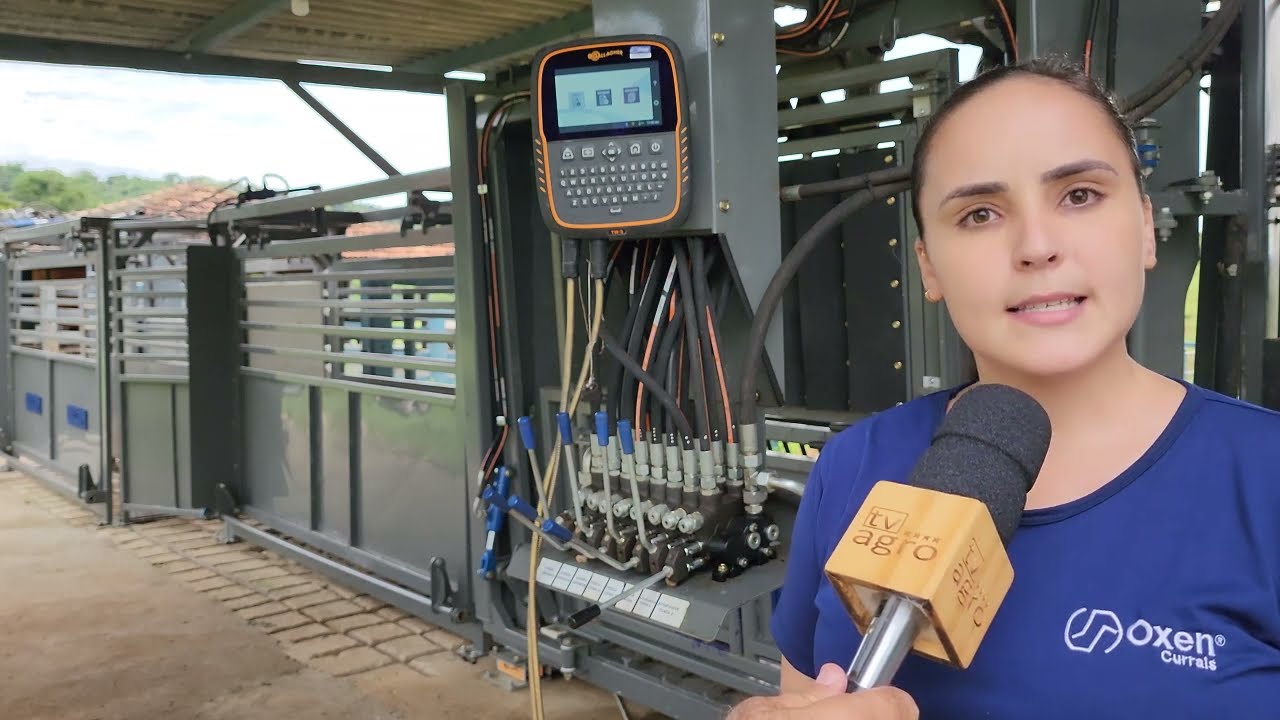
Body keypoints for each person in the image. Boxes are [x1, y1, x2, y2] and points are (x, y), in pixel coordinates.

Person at [760, 56, 1280, 719]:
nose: (1036, 246)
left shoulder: (1265, 478)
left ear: (1146, 227)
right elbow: (802, 695)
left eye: (1080, 195)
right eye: (980, 213)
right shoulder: (852, 468)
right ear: (928, 266)